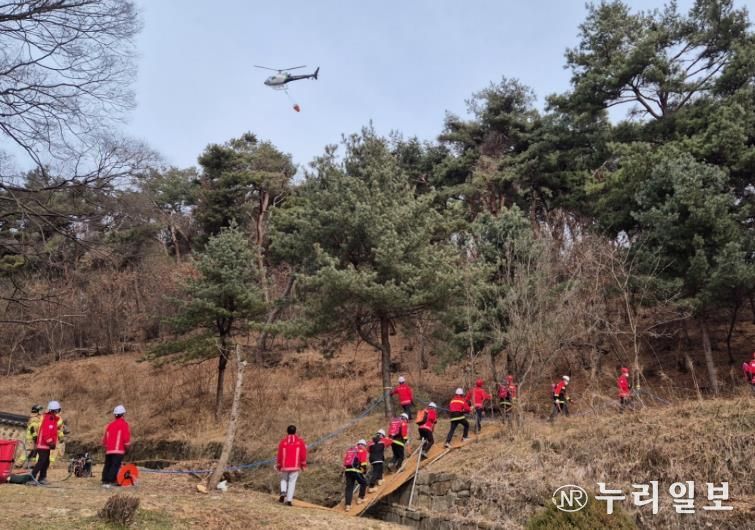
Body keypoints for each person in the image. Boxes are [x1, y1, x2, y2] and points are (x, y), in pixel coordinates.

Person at [31, 401, 63, 484]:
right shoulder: (49, 418)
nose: (58, 412)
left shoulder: (53, 419)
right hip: (43, 444)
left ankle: (42, 478)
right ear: (54, 410)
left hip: (46, 445)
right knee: (41, 461)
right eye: (57, 410)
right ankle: (32, 478)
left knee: (46, 462)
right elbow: (46, 433)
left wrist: (51, 443)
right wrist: (50, 442)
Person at [276, 424, 307, 506]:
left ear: (287, 431)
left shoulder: (283, 442)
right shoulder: (300, 442)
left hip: (285, 466)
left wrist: (279, 465)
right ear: (295, 431)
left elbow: (279, 455)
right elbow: (303, 454)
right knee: (292, 482)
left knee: (283, 479)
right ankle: (289, 500)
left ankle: (283, 491)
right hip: (295, 466)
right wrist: (303, 465)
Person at [101, 405, 131, 488]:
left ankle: (105, 480)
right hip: (118, 450)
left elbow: (105, 439)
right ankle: (111, 481)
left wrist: (106, 447)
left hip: (109, 450)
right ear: (123, 414)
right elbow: (126, 437)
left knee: (108, 465)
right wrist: (127, 447)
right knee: (115, 466)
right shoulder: (124, 424)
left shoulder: (110, 425)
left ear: (115, 415)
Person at [343, 439, 369, 512]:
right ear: (364, 445)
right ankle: (360, 498)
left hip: (348, 470)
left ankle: (347, 505)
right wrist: (364, 470)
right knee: (363, 483)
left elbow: (345, 461)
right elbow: (363, 462)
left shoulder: (350, 450)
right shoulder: (362, 450)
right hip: (356, 470)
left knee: (349, 487)